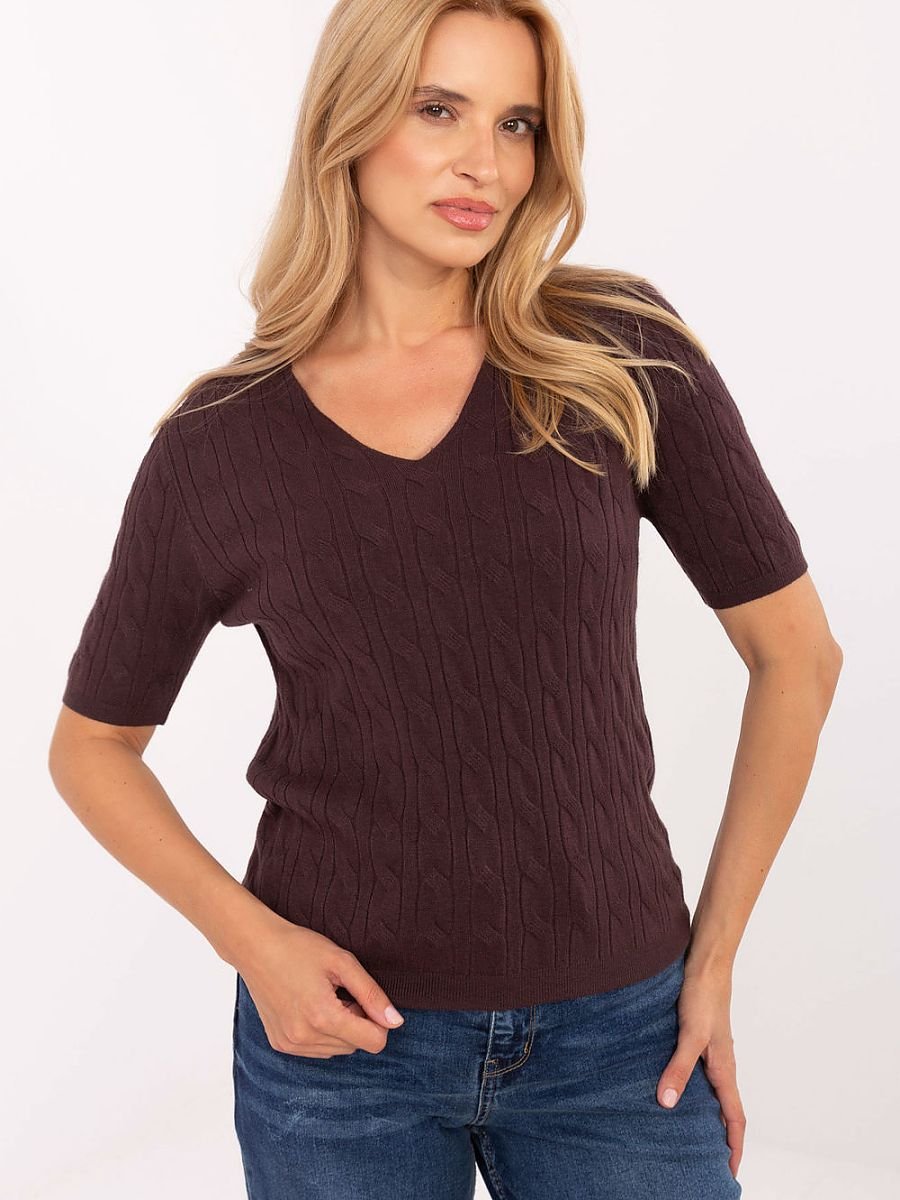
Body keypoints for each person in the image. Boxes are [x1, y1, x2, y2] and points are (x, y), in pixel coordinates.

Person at [48, 1, 842, 1197]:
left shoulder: (618, 355)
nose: (487, 163)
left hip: (620, 1033)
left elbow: (798, 656)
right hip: (339, 1049)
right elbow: (93, 746)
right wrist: (253, 943)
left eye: (517, 124)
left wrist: (714, 962)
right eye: (438, 110)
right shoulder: (223, 442)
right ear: (349, 121)